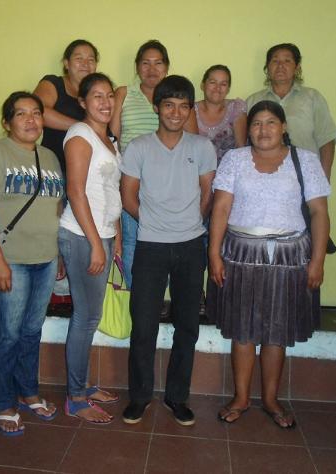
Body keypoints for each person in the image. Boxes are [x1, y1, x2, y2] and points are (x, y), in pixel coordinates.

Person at [207, 100, 330, 427]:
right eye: (257, 123)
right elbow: (221, 208)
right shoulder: (234, 159)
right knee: (242, 331)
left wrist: (317, 261)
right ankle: (241, 398)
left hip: (289, 258)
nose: (263, 129)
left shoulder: (306, 160)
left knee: (277, 331)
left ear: (284, 127)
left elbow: (319, 212)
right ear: (249, 129)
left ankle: (271, 399)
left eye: (271, 122)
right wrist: (214, 254)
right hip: (241, 255)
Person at [120, 75, 216, 426]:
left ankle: (177, 397)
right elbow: (128, 195)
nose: (176, 112)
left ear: (190, 110)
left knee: (187, 326)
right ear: (157, 107)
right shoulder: (139, 147)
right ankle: (140, 397)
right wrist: (152, 223)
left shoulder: (202, 147)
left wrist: (190, 223)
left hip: (191, 247)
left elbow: (207, 193)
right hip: (150, 246)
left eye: (183, 106)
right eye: (169, 105)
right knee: (143, 326)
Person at [0, 91, 63, 436]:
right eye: (21, 114)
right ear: (7, 122)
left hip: (45, 259)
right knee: (6, 333)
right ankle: (2, 402)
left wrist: (58, 254)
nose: (31, 119)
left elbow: (56, 208)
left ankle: (28, 391)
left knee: (31, 330)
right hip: (8, 261)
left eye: (36, 112)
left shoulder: (49, 157)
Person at [59, 73, 122, 424]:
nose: (105, 102)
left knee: (90, 316)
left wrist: (114, 237)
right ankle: (76, 398)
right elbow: (76, 191)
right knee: (85, 318)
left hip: (102, 235)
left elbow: (110, 191)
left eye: (109, 95)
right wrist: (97, 244)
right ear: (83, 102)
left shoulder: (108, 140)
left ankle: (81, 385)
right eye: (97, 96)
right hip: (83, 237)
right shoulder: (79, 135)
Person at [110, 40, 197, 288]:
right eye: (145, 63)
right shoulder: (124, 93)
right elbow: (112, 138)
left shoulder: (177, 96)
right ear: (137, 66)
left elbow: (193, 140)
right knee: (132, 239)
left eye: (158, 63)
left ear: (166, 67)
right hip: (132, 181)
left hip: (170, 184)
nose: (151, 69)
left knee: (168, 240)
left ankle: (158, 294)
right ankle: (136, 295)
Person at [246, 43, 336, 180]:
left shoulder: (312, 98)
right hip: (263, 179)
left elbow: (326, 140)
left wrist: (323, 180)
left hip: (305, 177)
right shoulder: (253, 101)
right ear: (267, 68)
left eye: (287, 61)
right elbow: (245, 144)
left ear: (297, 67)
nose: (280, 66)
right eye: (275, 61)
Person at [34, 39, 99, 175]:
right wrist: (82, 127)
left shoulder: (98, 91)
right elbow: (38, 112)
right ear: (66, 63)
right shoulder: (54, 83)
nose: (85, 64)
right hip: (54, 169)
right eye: (79, 58)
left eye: (91, 60)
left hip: (91, 171)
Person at [195, 65, 247, 164]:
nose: (217, 88)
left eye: (223, 84)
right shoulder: (191, 110)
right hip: (198, 170)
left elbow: (241, 149)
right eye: (212, 82)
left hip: (230, 170)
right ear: (202, 85)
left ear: (228, 89)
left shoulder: (236, 108)